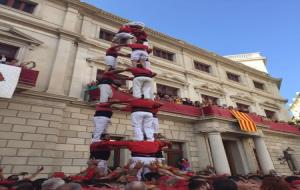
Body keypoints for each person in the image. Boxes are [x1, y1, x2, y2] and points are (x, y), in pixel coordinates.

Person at [91, 140, 170, 166]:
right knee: (150, 175)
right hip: (152, 160)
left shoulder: (131, 143)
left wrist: (102, 143)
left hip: (137, 159)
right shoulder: (157, 143)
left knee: (135, 175)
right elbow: (167, 143)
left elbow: (118, 143)